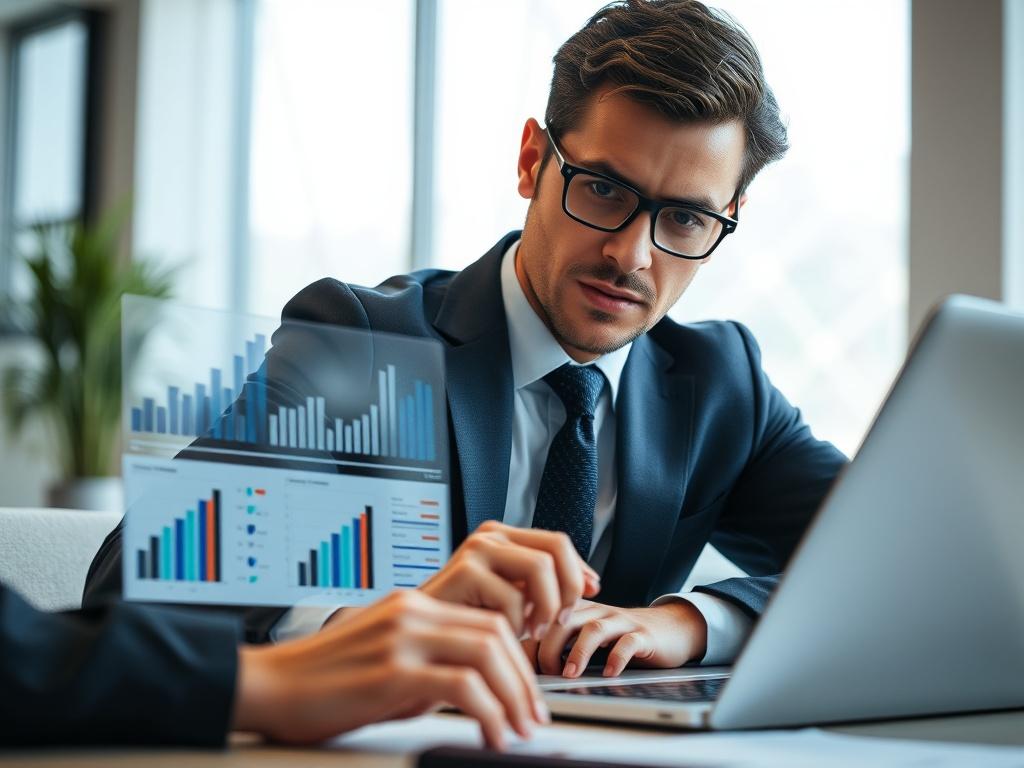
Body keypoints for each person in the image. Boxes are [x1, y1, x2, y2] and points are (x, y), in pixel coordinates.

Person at [85, 0, 846, 678]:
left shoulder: (721, 385)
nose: (631, 255)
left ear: (728, 219)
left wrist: (692, 622)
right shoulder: (366, 345)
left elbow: (904, 562)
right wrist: (371, 633)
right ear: (531, 162)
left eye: (685, 218)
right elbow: (130, 592)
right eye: (605, 190)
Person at [1, 522, 596, 749]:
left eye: (686, 233)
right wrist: (295, 660)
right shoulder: (358, 332)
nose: (633, 257)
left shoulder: (691, 365)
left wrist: (688, 617)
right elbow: (135, 572)